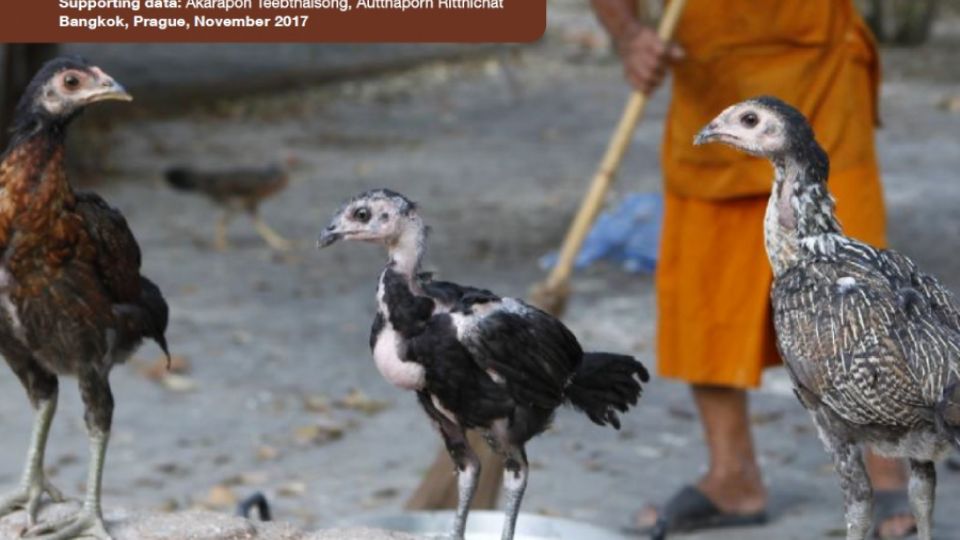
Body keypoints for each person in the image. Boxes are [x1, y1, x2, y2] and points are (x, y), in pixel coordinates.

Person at [589, 0, 917, 537]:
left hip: (819, 77)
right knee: (706, 293)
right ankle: (733, 478)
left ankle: (887, 475)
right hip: (711, 84)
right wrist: (629, 34)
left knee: (851, 296)